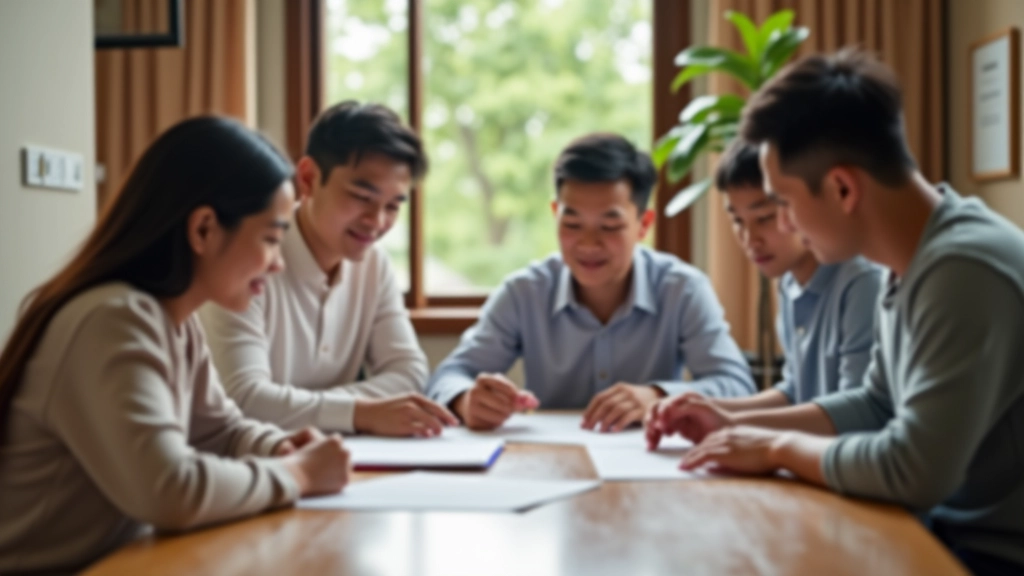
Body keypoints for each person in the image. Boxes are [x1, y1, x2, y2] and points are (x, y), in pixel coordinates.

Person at [646, 49, 1024, 576]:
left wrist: (776, 447)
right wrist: (729, 419)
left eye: (784, 202)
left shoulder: (964, 269)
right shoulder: (914, 259)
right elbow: (875, 403)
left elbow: (913, 470)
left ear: (843, 188)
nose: (786, 224)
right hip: (940, 533)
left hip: (988, 555)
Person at [0, 117, 350, 574]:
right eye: (270, 239)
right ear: (204, 229)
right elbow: (169, 490)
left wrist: (281, 448)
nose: (279, 264)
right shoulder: (113, 318)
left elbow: (219, 432)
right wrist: (299, 474)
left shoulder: (172, 322)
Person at [428, 133, 754, 432]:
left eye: (609, 227)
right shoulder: (524, 292)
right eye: (571, 224)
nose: (588, 244)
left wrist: (658, 395)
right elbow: (448, 376)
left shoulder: (682, 289)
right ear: (554, 213)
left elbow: (737, 385)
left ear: (644, 224)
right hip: (553, 463)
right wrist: (467, 399)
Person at [201, 101, 457, 438]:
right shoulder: (248, 257)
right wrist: (360, 413)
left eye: (393, 206)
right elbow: (245, 398)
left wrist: (318, 410)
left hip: (333, 458)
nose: (377, 222)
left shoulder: (374, 265)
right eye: (361, 197)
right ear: (308, 178)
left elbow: (408, 373)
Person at [706, 138, 881, 411]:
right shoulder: (789, 282)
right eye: (738, 221)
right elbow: (795, 390)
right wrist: (714, 409)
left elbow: (857, 413)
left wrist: (734, 423)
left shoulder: (861, 281)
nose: (750, 239)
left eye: (764, 217)